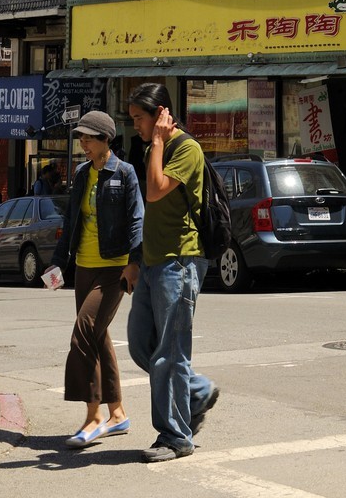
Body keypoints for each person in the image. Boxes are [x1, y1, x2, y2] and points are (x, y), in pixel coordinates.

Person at [126, 82, 220, 462]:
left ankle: (176, 437)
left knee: (171, 353)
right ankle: (196, 392)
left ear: (161, 114)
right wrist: (135, 260)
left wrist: (161, 143)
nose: (135, 126)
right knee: (140, 344)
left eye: (139, 119)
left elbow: (154, 190)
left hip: (180, 260)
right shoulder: (154, 147)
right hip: (152, 261)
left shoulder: (184, 148)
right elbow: (150, 213)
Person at [53, 109, 143, 450]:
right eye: (81, 138)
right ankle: (118, 413)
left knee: (84, 333)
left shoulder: (125, 173)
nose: (84, 144)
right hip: (84, 267)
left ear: (107, 140)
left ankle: (92, 418)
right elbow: (71, 220)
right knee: (99, 337)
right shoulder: (80, 174)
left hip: (113, 268)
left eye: (89, 138)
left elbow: (136, 219)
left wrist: (134, 263)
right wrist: (59, 263)